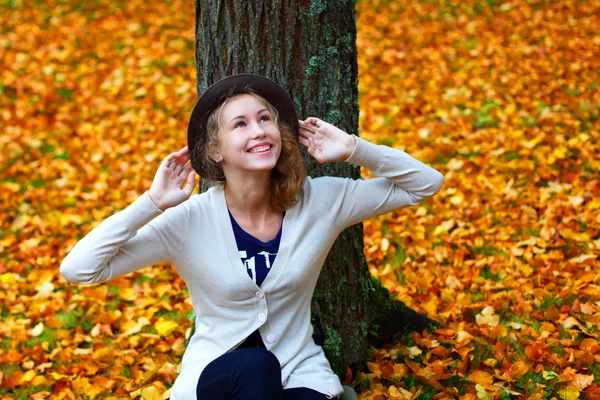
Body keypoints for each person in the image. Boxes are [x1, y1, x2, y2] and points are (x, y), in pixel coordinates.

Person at [60, 73, 444, 400]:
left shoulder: (321, 201)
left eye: (265, 119)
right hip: (218, 377)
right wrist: (152, 203)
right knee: (258, 366)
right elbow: (80, 269)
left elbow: (425, 185)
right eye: (240, 124)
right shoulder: (187, 221)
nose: (259, 130)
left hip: (298, 374)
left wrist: (354, 150)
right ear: (214, 151)